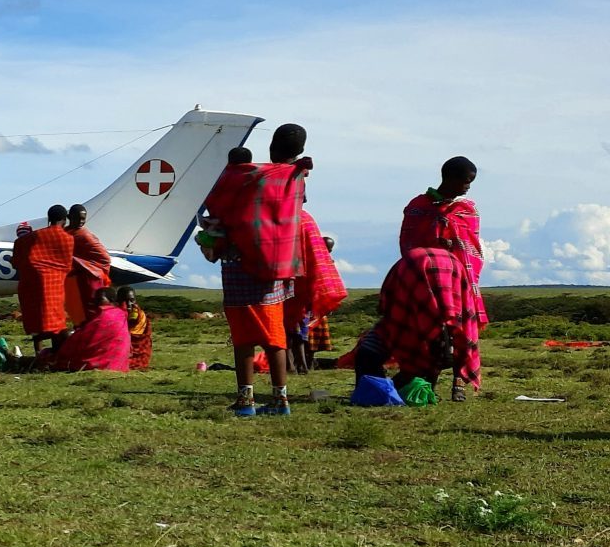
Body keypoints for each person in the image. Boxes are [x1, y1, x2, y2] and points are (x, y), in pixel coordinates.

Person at [201, 128, 313, 415]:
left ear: (273, 145)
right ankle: (280, 400)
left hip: (240, 264)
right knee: (275, 336)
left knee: (243, 337)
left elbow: (217, 207)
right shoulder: (294, 178)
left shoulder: (245, 178)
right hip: (278, 265)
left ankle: (246, 401)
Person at [401, 157, 487, 391]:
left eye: (471, 182)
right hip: (428, 279)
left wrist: (452, 242)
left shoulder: (466, 210)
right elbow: (409, 243)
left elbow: (473, 247)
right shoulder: (418, 207)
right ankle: (429, 377)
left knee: (461, 328)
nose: (468, 187)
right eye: (466, 181)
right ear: (449, 178)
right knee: (432, 329)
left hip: (458, 279)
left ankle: (459, 381)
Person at [352, 244, 480, 397]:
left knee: (368, 353)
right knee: (442, 345)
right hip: (416, 328)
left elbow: (388, 297)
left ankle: (378, 390)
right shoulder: (456, 319)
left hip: (406, 324)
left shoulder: (411, 266)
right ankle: (403, 388)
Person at [5, 208, 75, 363]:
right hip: (56, 285)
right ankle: (54, 355)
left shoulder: (30, 238)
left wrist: (15, 261)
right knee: (57, 323)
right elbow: (67, 265)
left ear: (48, 219)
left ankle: (39, 354)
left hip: (33, 285)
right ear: (65, 220)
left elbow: (17, 261)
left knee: (37, 321)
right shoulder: (68, 239)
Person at [282, 215, 347, 374]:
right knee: (295, 334)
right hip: (301, 297)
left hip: (307, 302)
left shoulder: (321, 259)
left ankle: (301, 365)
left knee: (300, 335)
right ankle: (297, 366)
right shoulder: (305, 226)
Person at [48, 287, 134, 372]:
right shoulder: (120, 314)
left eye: (100, 299)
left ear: (111, 300)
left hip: (97, 364)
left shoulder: (105, 315)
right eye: (95, 300)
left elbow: (82, 338)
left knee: (65, 334)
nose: (96, 303)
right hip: (119, 365)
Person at [64, 203, 114, 327]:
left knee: (89, 313)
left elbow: (105, 259)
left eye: (83, 219)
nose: (81, 222)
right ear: (69, 217)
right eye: (78, 218)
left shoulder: (84, 235)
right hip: (75, 280)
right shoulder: (67, 232)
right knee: (77, 312)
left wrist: (81, 264)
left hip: (90, 280)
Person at [128, 292, 155, 371]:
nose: (129, 303)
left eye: (132, 300)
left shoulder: (140, 314)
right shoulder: (115, 315)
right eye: (125, 300)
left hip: (140, 352)